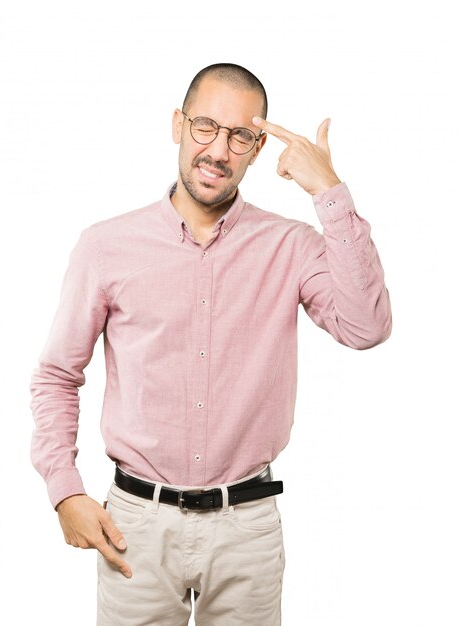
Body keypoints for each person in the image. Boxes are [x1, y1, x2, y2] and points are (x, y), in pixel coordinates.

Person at [29, 62, 392, 625]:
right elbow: (57, 375)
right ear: (178, 125)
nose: (219, 150)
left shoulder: (291, 247)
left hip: (247, 526)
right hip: (135, 525)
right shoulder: (106, 246)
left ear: (256, 147)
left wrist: (328, 189)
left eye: (241, 135)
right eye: (205, 127)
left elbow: (366, 327)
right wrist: (64, 489)